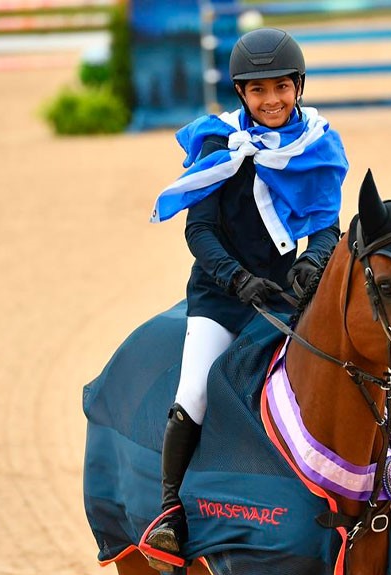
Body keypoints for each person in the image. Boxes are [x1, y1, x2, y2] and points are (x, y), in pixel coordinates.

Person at [143, 28, 348, 571]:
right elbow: (200, 232)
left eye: (282, 87)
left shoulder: (318, 143)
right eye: (258, 91)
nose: (272, 100)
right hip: (222, 297)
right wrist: (236, 279)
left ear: (298, 86)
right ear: (241, 95)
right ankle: (170, 514)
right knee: (196, 393)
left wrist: (313, 262)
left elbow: (327, 225)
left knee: (346, 366)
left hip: (287, 293)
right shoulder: (218, 144)